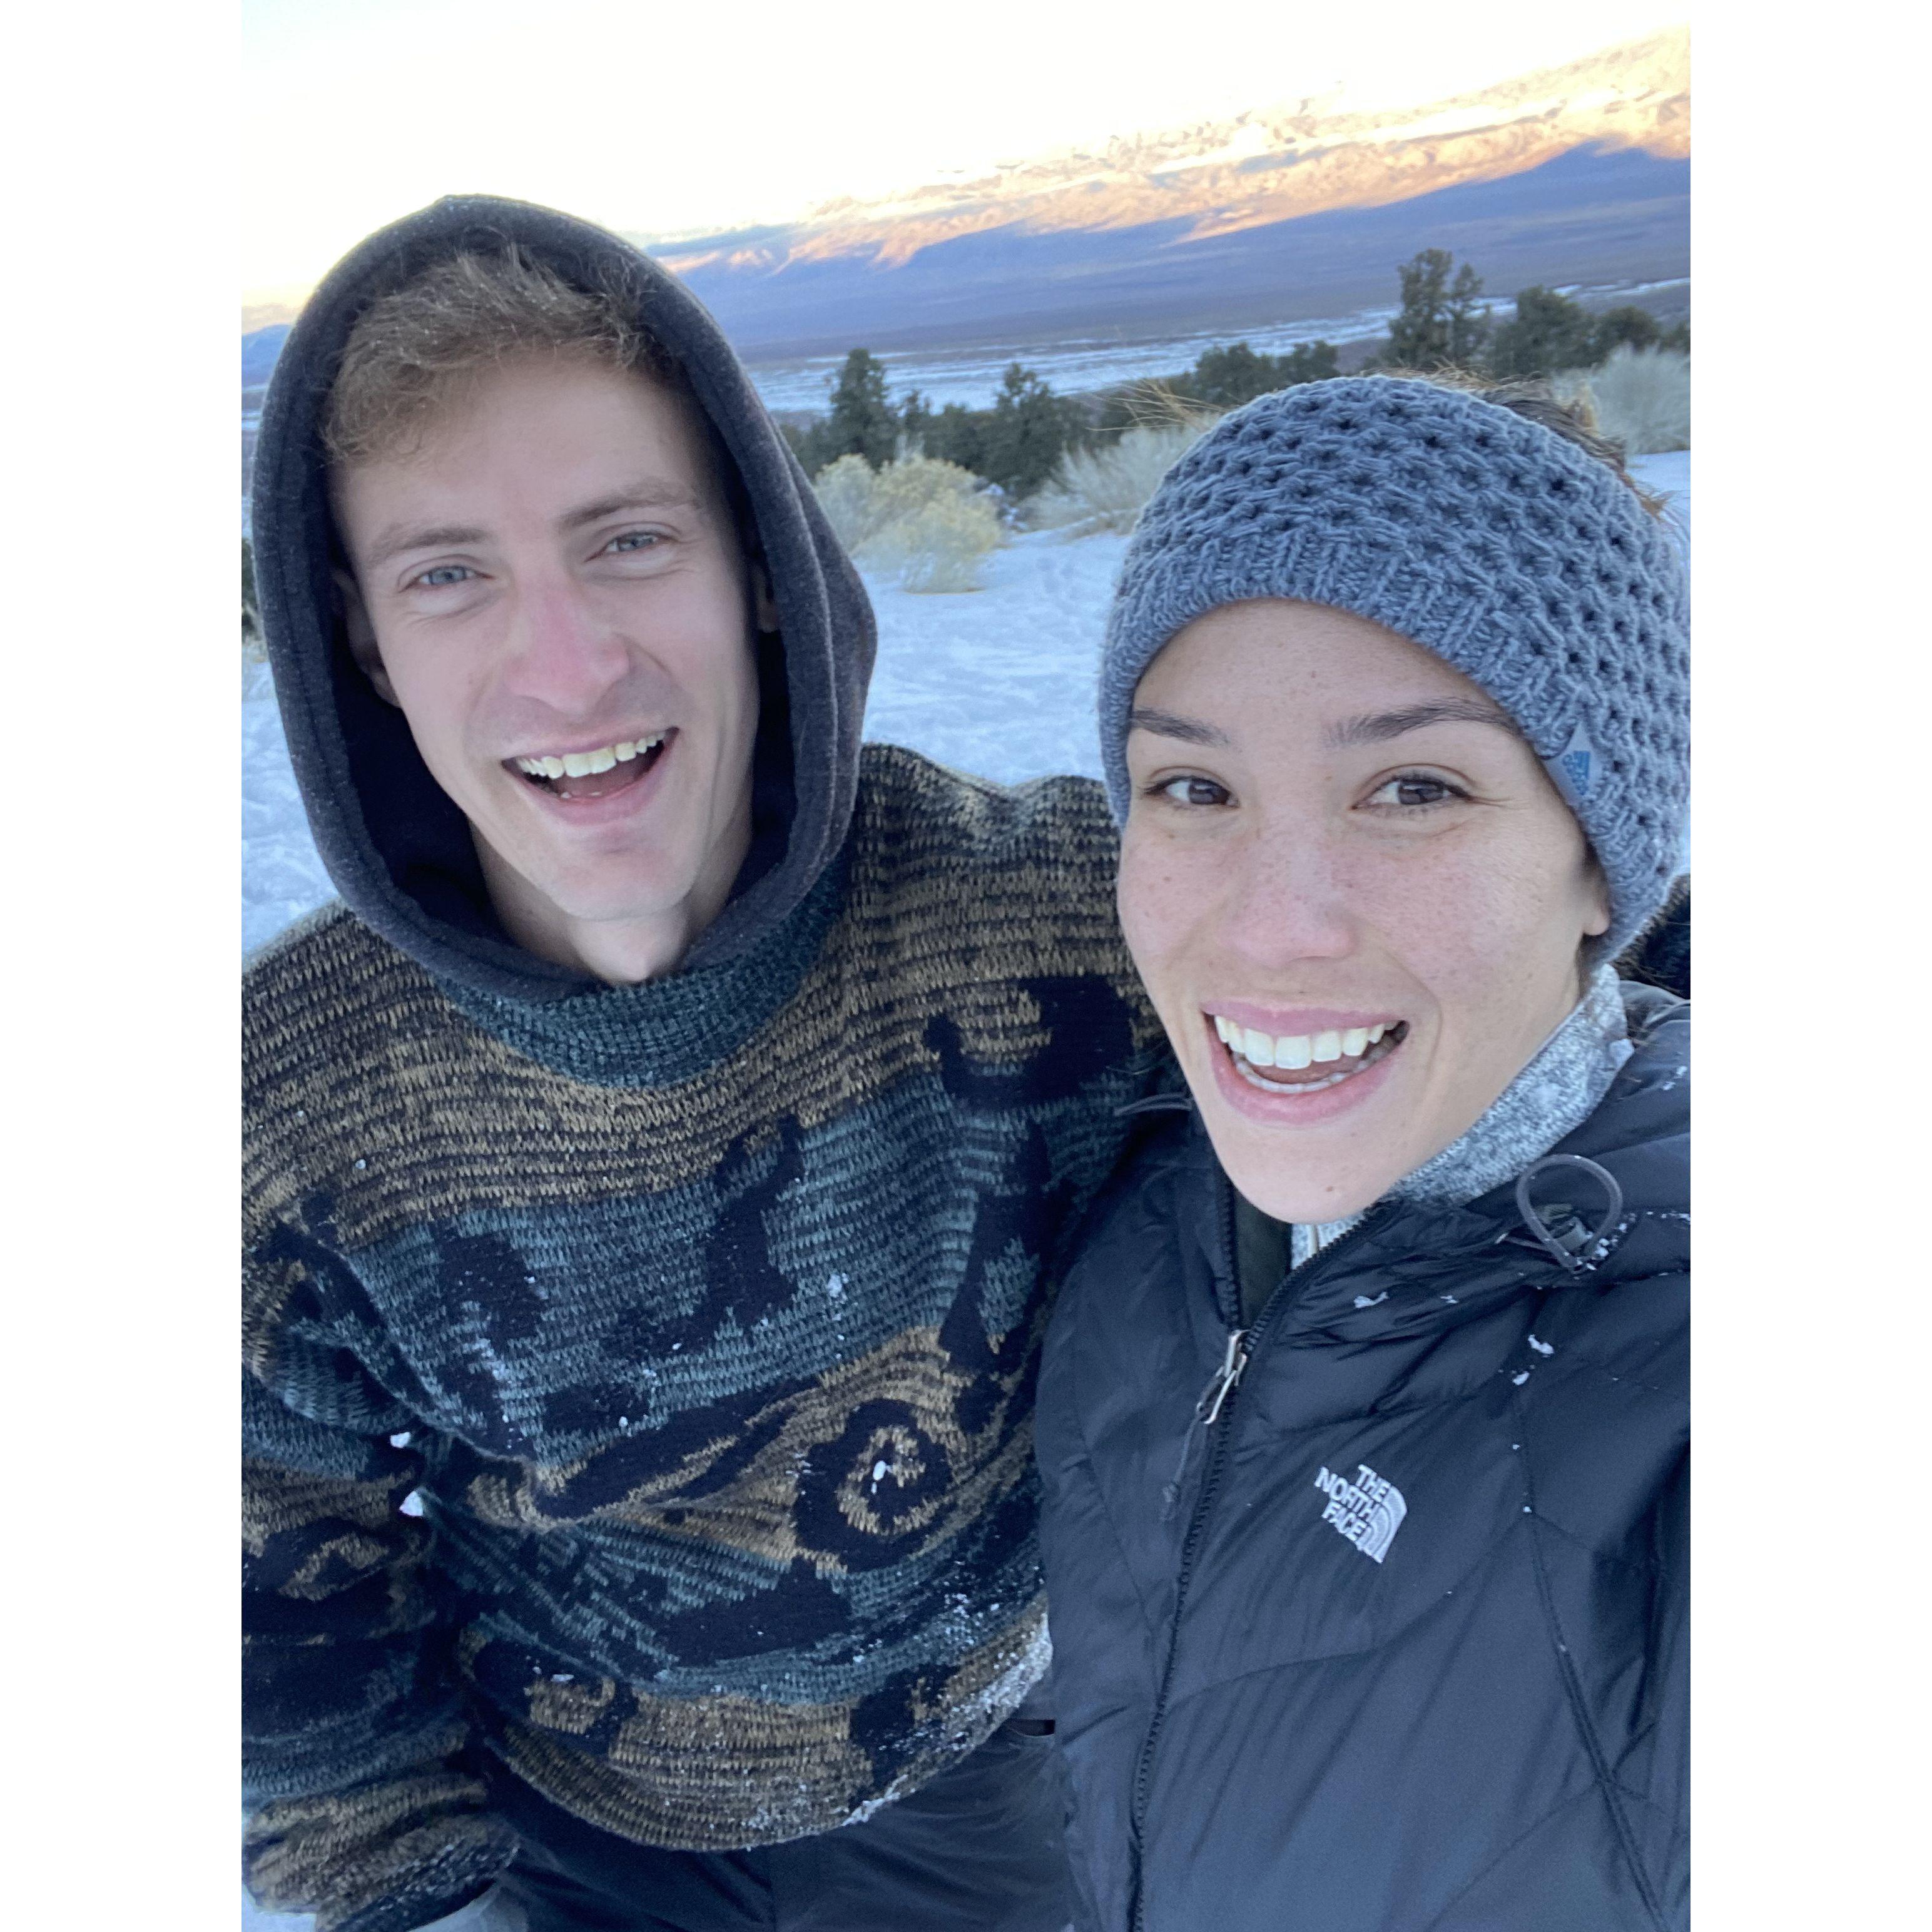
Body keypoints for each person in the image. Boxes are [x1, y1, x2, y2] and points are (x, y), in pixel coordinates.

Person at [242, 195, 1164, 1932]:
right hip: (554, 1833)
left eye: (629, 541)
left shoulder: (1038, 917)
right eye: (449, 574)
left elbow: (1442, 958)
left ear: (758, 562)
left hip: (965, 1781)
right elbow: (267, 1572)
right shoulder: (281, 1102)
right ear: (362, 641)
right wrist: (418, 1902)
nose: (570, 666)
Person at [1035, 375, 1690, 1931]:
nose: (1269, 925)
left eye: (1412, 787)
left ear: (1602, 863)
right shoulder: (1137, 1209)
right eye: (1191, 785)